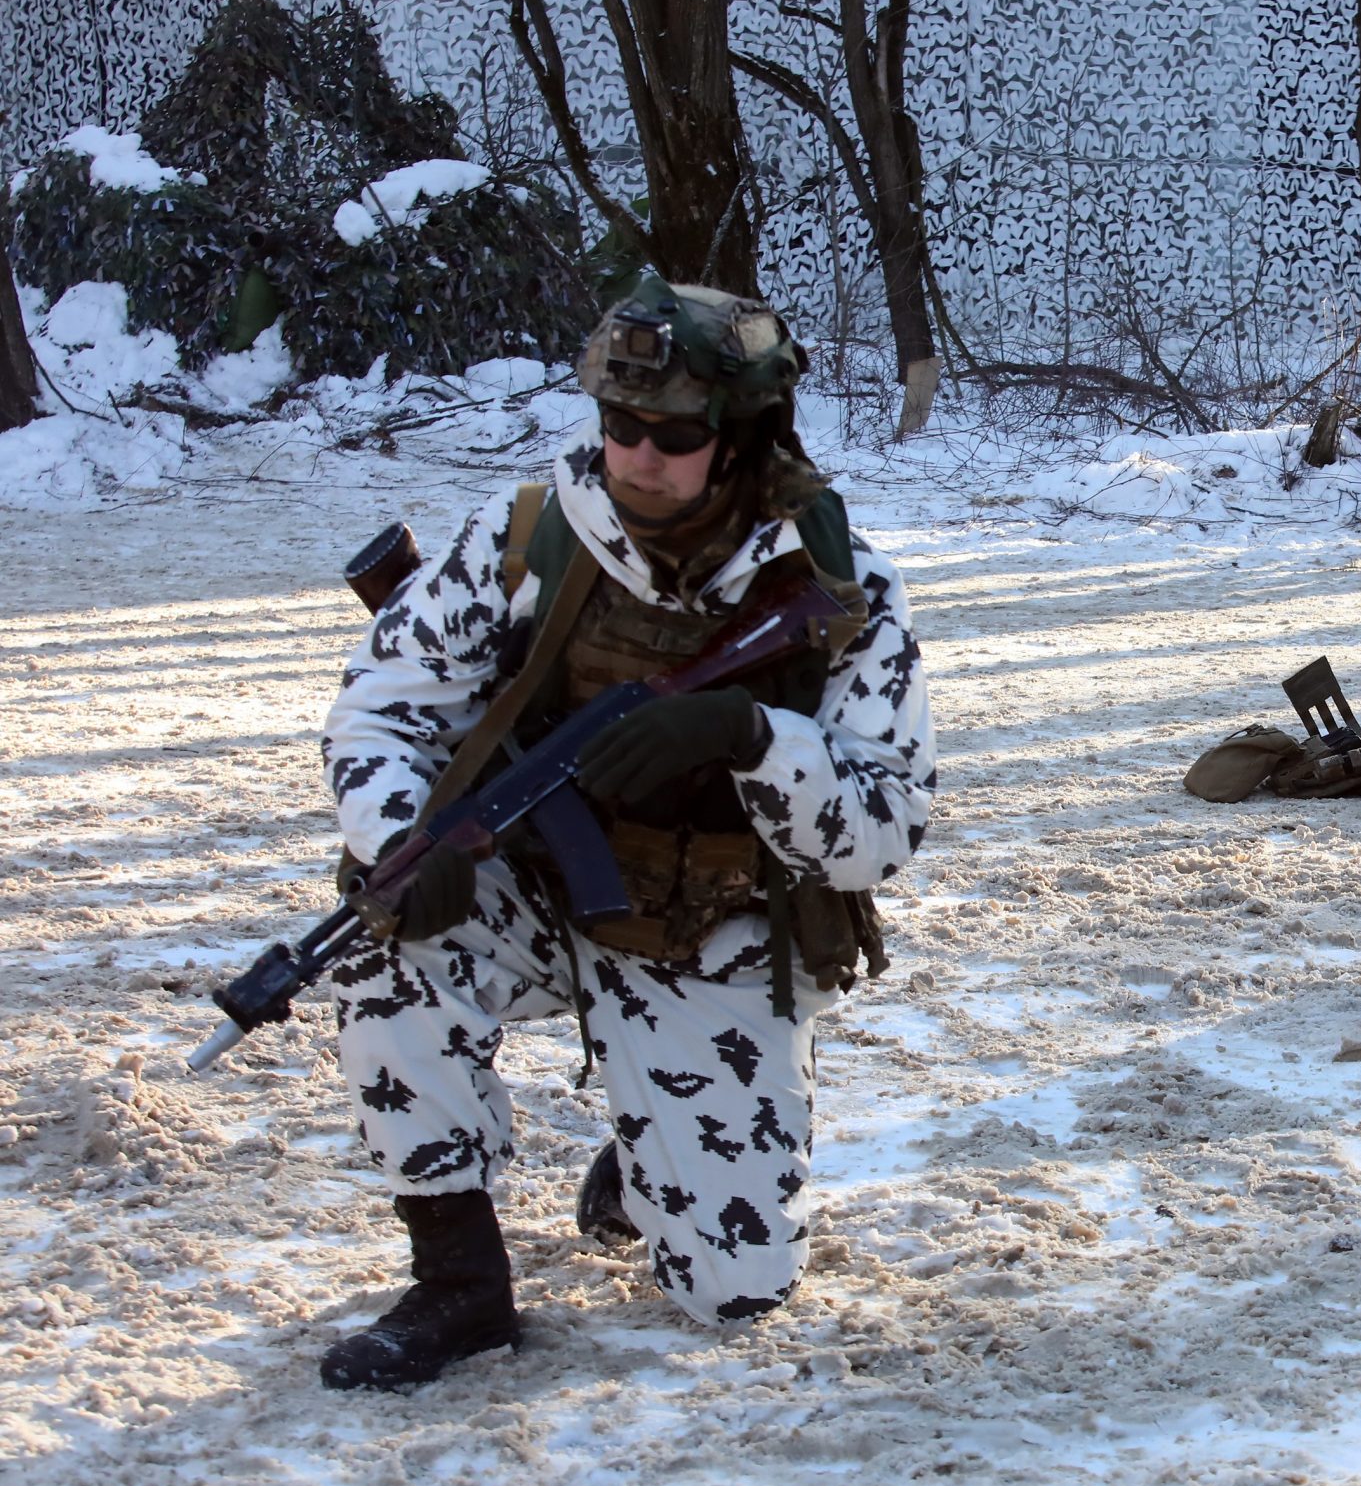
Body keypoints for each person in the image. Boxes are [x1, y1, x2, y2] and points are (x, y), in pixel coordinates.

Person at [314, 275, 935, 1390]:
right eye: (618, 425)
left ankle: (651, 1146)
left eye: (674, 433)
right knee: (378, 931)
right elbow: (385, 704)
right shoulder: (529, 536)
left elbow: (884, 826)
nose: (638, 456)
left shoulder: (834, 585)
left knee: (734, 1294)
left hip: (717, 925)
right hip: (541, 896)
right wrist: (403, 835)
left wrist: (751, 736)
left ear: (741, 437)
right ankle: (457, 1281)